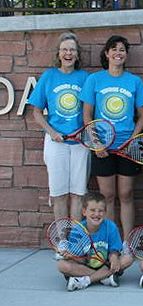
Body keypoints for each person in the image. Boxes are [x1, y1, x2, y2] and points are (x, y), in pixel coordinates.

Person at [81, 35, 143, 239]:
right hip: (102, 148)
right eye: (114, 49)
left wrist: (132, 140)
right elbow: (87, 115)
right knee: (107, 197)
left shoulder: (134, 81)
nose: (118, 53)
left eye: (122, 49)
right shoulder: (94, 80)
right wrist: (96, 143)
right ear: (106, 53)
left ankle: (128, 242)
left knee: (126, 195)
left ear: (126, 55)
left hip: (127, 149)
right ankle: (110, 241)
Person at [29, 32, 89, 221]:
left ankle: (76, 242)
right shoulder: (49, 76)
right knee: (59, 194)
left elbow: (90, 112)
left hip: (80, 143)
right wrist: (53, 133)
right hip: (56, 143)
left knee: (78, 194)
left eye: (72, 49)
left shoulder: (86, 78)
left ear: (77, 54)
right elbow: (36, 112)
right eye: (64, 50)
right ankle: (62, 242)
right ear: (58, 53)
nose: (68, 53)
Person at [57, 192, 133, 291]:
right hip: (85, 266)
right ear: (84, 212)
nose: (97, 214)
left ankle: (85, 281)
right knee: (62, 265)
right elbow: (82, 260)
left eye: (100, 211)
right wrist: (72, 256)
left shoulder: (111, 227)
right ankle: (103, 277)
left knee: (128, 258)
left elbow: (114, 250)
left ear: (105, 212)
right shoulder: (78, 230)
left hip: (106, 264)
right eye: (92, 210)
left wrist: (114, 257)